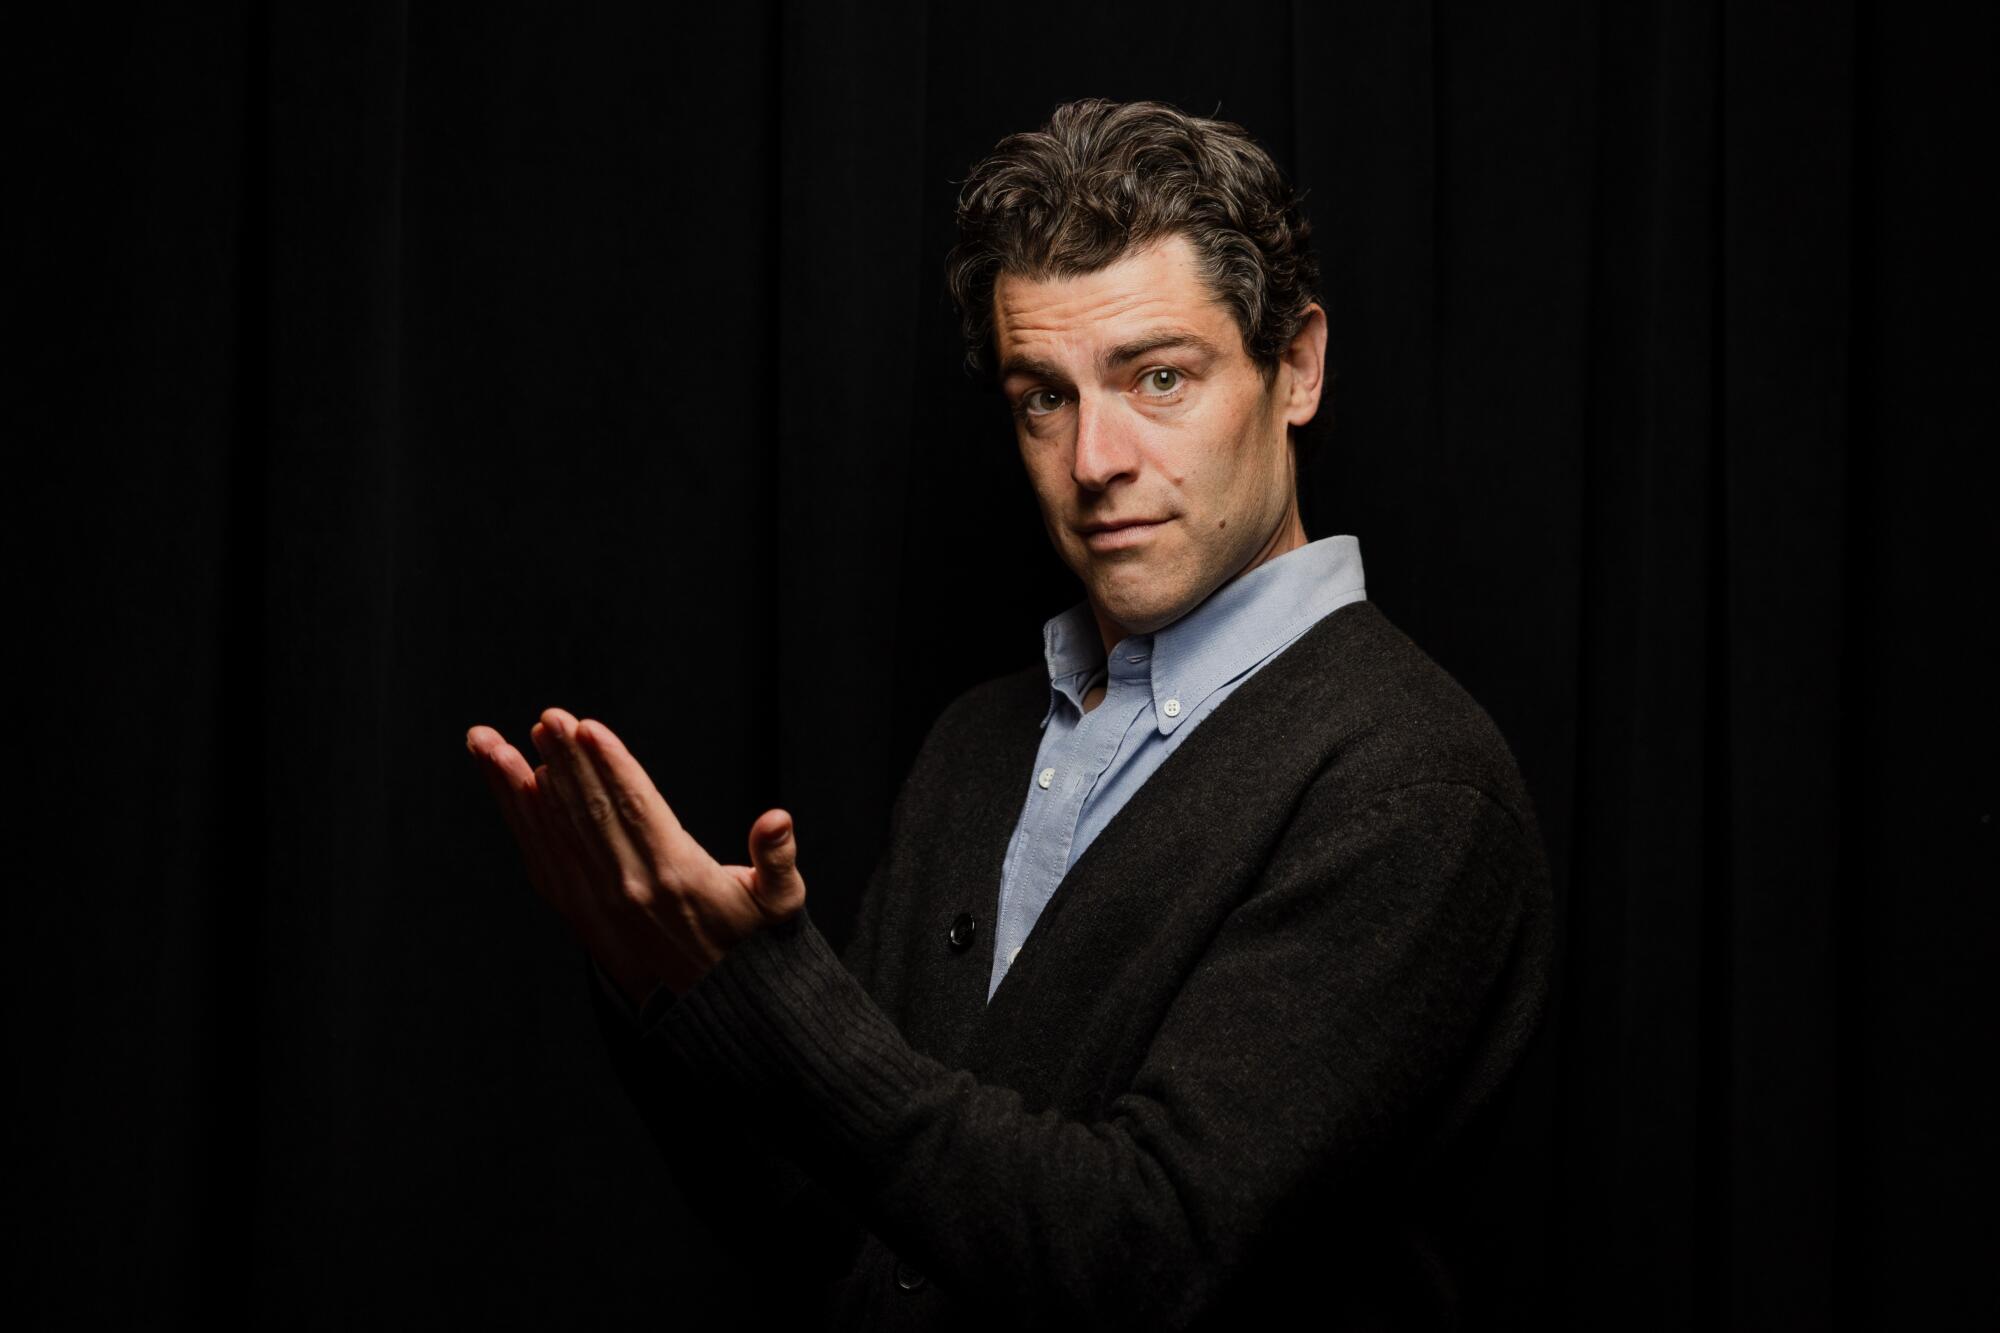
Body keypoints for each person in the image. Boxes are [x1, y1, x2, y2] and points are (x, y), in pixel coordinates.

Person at [466, 98, 1553, 1330]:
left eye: (1157, 378)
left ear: (1293, 365)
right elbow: (845, 1231)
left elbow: (1148, 1258)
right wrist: (673, 988)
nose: (1094, 457)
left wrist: (783, 1005)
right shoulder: (979, 745)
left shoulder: (1406, 785)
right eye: (1043, 395)